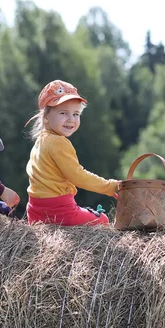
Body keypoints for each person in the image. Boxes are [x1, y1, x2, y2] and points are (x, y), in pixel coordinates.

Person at [25, 80, 119, 226]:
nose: (71, 119)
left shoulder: (41, 141)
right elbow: (78, 176)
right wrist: (110, 186)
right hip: (59, 212)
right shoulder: (59, 142)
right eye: (63, 113)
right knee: (103, 220)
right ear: (46, 117)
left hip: (35, 211)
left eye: (76, 114)